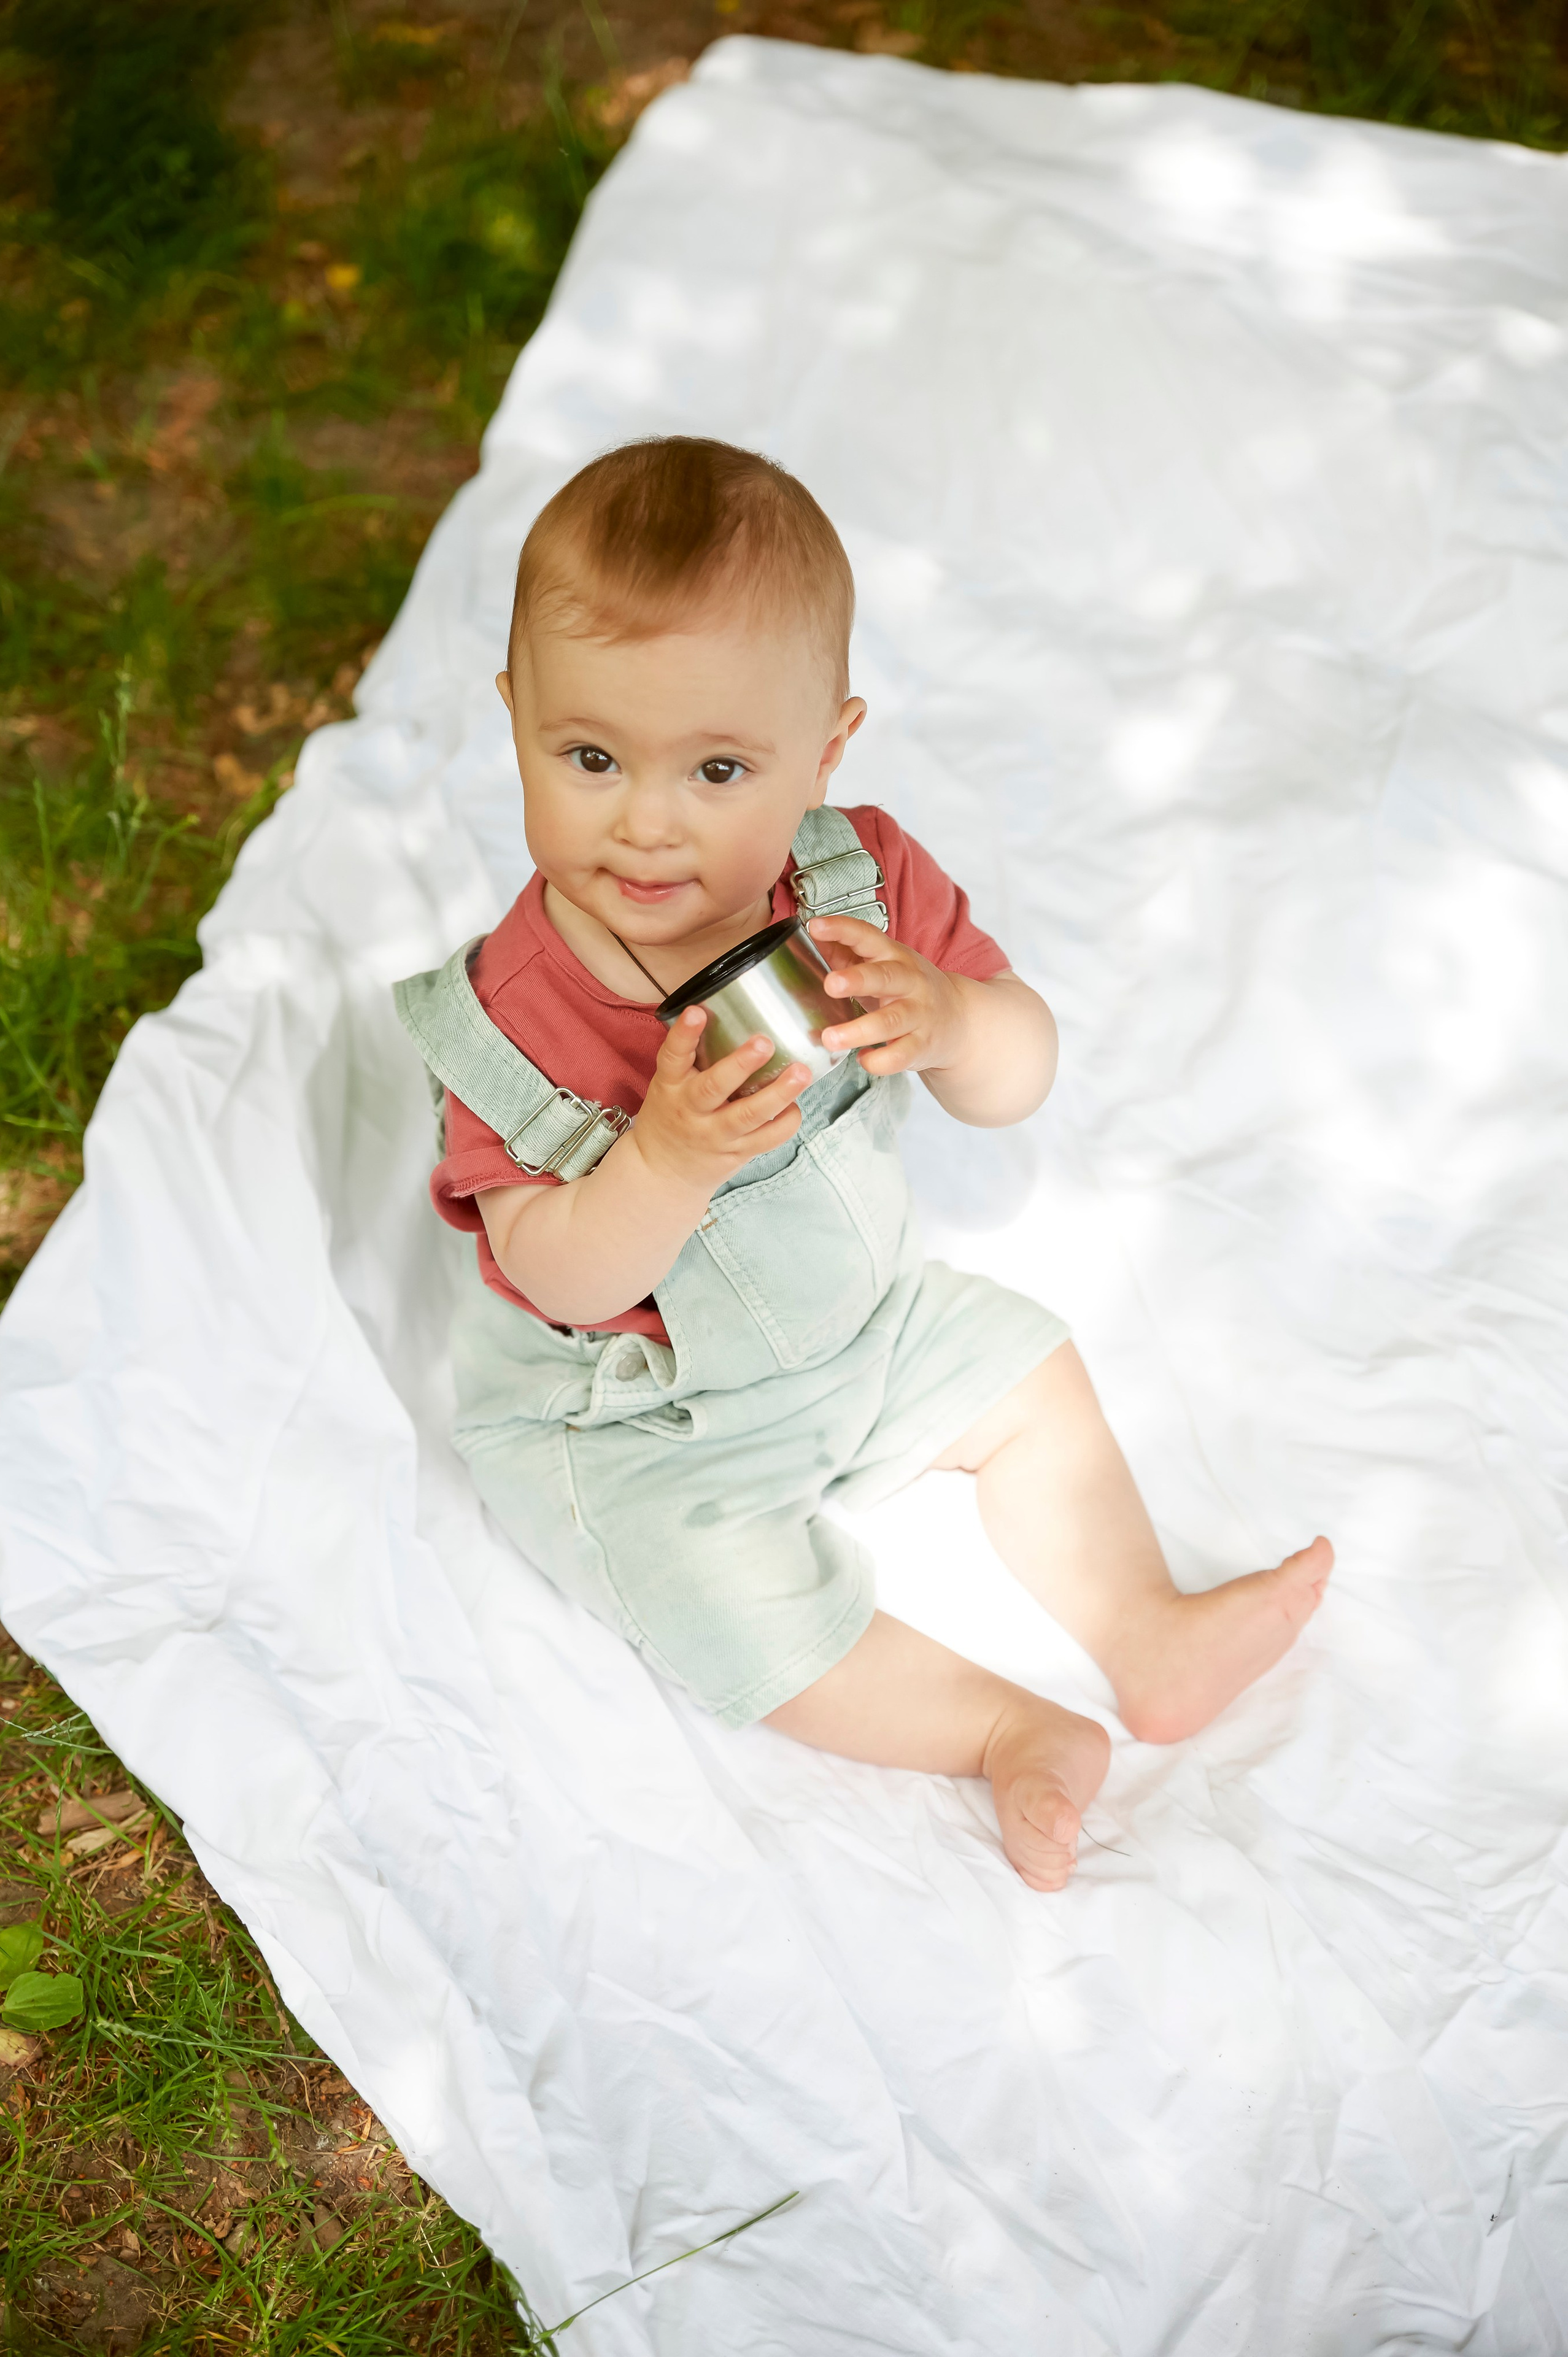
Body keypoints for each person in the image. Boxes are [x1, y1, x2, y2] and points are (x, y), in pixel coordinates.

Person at [395, 436, 1332, 1892]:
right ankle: (998, 1728)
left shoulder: (855, 888)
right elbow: (555, 1275)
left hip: (856, 1326)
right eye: (588, 758)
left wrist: (954, 1018)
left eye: (717, 768)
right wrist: (662, 1159)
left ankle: (1144, 1625)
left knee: (1027, 1368)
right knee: (711, 1595)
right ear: (512, 719)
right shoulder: (512, 1013)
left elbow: (1018, 1082)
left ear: (826, 749)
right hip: (642, 1416)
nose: (645, 821)